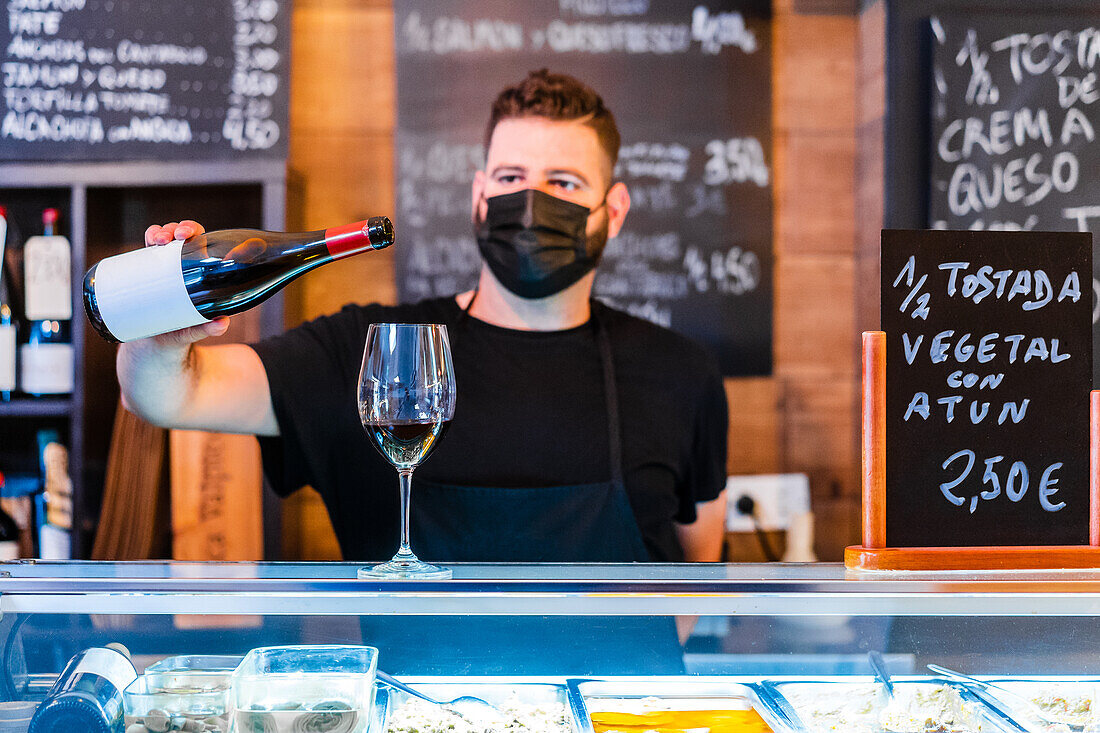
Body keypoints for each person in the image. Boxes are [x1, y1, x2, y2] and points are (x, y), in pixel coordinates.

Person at [119, 69, 729, 672]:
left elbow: (699, 574)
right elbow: (170, 395)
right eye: (512, 176)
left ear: (613, 209)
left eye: (564, 182)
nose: (533, 201)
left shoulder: (682, 373)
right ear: (480, 194)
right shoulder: (369, 352)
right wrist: (162, 322)